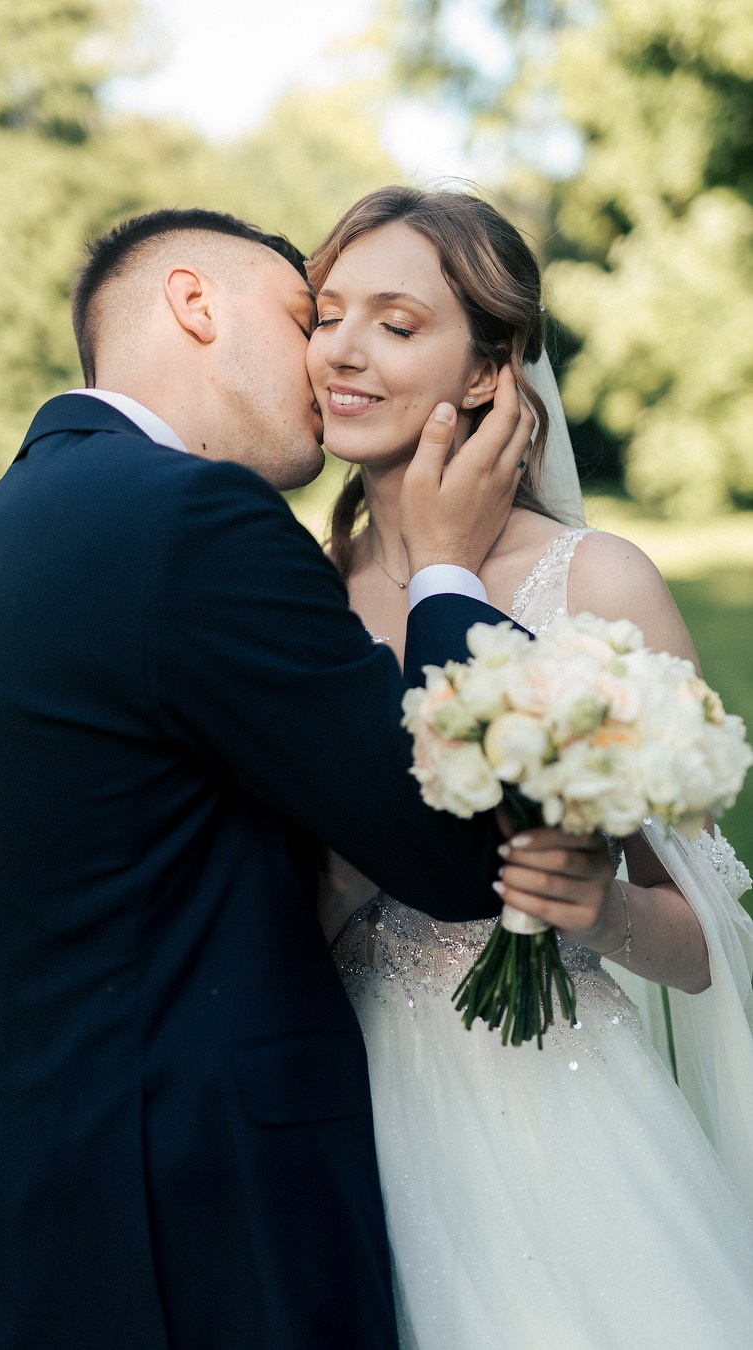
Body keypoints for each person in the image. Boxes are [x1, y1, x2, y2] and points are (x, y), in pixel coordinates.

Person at [0, 206, 584, 1350]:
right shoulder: (192, 519)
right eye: (305, 313)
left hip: (24, 1202)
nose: (328, 356)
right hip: (201, 1219)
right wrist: (449, 573)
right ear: (195, 305)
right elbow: (459, 845)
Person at [308, 185, 753, 1350]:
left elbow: (708, 944)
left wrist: (596, 908)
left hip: (554, 1131)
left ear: (488, 370)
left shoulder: (595, 586)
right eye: (327, 314)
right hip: (333, 1115)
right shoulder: (292, 591)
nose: (343, 351)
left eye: (397, 326)